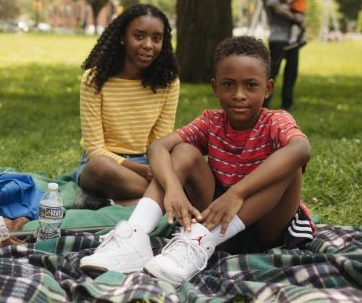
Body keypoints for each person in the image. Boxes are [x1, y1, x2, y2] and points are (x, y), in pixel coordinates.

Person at [80, 36, 314, 286]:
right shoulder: (211, 122)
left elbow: (301, 148)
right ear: (215, 87)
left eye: (250, 85)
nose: (238, 95)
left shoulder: (275, 121)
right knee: (183, 152)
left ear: (268, 88)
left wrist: (237, 193)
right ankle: (134, 237)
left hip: (269, 228)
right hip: (216, 222)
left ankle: (199, 242)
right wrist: (173, 189)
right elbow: (158, 147)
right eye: (228, 84)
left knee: (290, 166)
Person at [75, 4, 180, 209]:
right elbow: (95, 149)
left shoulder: (168, 82)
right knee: (99, 167)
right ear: (123, 37)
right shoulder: (94, 79)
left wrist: (154, 168)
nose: (149, 45)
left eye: (156, 38)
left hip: (147, 162)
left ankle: (111, 202)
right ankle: (162, 198)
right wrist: (147, 174)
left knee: (185, 155)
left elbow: (159, 141)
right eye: (139, 36)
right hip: (105, 166)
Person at [261, 0, 304, 111]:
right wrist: (296, 18)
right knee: (273, 72)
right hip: (278, 37)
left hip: (293, 38)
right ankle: (264, 105)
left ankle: (287, 104)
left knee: (292, 72)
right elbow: (277, 8)